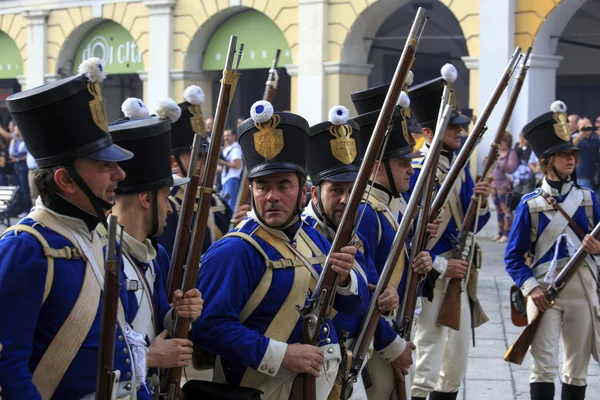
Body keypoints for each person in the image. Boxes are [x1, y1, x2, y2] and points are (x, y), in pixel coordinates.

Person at [191, 101, 369, 399]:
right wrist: (281, 354)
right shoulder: (234, 250)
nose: (272, 196)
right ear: (252, 190)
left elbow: (356, 305)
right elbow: (209, 327)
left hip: (325, 382)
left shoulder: (314, 237)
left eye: (283, 185)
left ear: (302, 191)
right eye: (262, 186)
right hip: (267, 388)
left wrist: (345, 280)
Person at [0, 58, 139, 399]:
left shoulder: (100, 237)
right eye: (105, 166)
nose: (119, 175)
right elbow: (8, 367)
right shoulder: (26, 247)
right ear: (65, 180)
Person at [304, 105, 417, 398]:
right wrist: (391, 344)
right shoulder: (307, 234)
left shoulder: (352, 228)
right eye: (335, 190)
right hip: (317, 361)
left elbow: (366, 291)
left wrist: (386, 294)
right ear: (315, 193)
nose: (345, 199)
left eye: (352, 190)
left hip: (349, 355)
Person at [108, 98, 204, 397]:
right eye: (165, 196)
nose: (170, 207)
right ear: (146, 199)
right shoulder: (99, 255)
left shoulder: (155, 254)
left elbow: (157, 319)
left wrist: (179, 313)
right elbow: (82, 350)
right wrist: (147, 359)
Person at [505, 100, 600, 400]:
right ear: (548, 161)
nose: (570, 160)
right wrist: (531, 288)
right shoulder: (530, 204)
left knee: (576, 369)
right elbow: (513, 257)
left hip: (583, 288)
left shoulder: (588, 199)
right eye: (562, 155)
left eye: (571, 154)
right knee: (543, 368)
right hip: (543, 292)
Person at [408, 64, 492, 400]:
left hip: (459, 270)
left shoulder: (459, 168)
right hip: (430, 274)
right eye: (453, 127)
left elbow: (473, 223)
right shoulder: (416, 172)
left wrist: (481, 203)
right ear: (428, 132)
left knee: (455, 361)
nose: (461, 132)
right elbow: (407, 238)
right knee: (427, 356)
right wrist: (442, 266)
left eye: (461, 126)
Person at [350, 85, 436, 399]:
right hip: (375, 340)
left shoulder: (387, 207)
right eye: (402, 163)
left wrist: (421, 264)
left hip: (391, 331)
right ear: (376, 167)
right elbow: (368, 295)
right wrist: (392, 344)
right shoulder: (366, 213)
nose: (410, 168)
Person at [156, 85, 232, 273]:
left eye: (207, 156)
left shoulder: (216, 201)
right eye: (198, 156)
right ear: (174, 162)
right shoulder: (168, 203)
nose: (207, 163)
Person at [490, 132, 518, 243]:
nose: (502, 144)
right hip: (494, 185)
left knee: (506, 210)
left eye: (504, 142)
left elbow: (511, 168)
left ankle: (507, 233)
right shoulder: (496, 153)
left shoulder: (511, 153)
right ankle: (499, 232)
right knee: (498, 210)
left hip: (504, 185)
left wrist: (502, 165)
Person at [218, 127, 243, 210]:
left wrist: (221, 162)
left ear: (234, 136)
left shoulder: (235, 149)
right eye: (224, 136)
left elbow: (237, 165)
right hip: (226, 179)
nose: (225, 138)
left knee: (231, 204)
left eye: (228, 136)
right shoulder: (227, 149)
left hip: (232, 178)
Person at [8, 125, 31, 216]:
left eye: (16, 128)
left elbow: (27, 154)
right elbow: (11, 152)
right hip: (16, 167)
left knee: (25, 189)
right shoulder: (15, 141)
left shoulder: (25, 141)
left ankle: (27, 209)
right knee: (18, 188)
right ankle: (19, 209)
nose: (14, 130)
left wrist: (18, 159)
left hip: (23, 167)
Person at [572, 117, 599, 190]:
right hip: (581, 177)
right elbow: (572, 146)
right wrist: (582, 133)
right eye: (584, 126)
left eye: (588, 125)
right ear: (578, 127)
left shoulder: (595, 139)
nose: (587, 127)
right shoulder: (576, 138)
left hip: (593, 178)